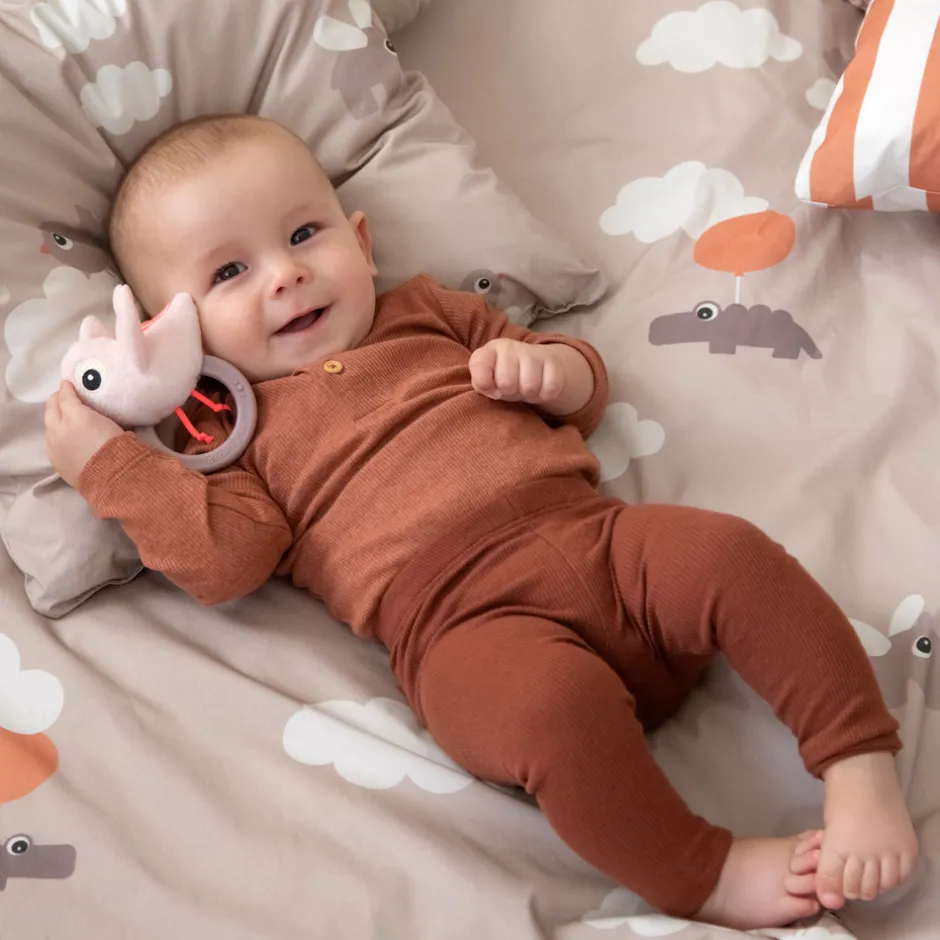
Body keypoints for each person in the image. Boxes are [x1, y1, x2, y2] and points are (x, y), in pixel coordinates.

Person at [45, 114, 917, 929]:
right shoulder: (233, 439)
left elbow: (581, 384)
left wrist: (552, 375)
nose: (285, 274)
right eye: (229, 273)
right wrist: (109, 466)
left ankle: (855, 761)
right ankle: (704, 875)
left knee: (729, 552)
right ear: (175, 336)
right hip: (463, 631)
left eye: (304, 233)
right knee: (549, 709)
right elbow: (225, 561)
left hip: (597, 541)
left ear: (361, 242)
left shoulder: (428, 312)